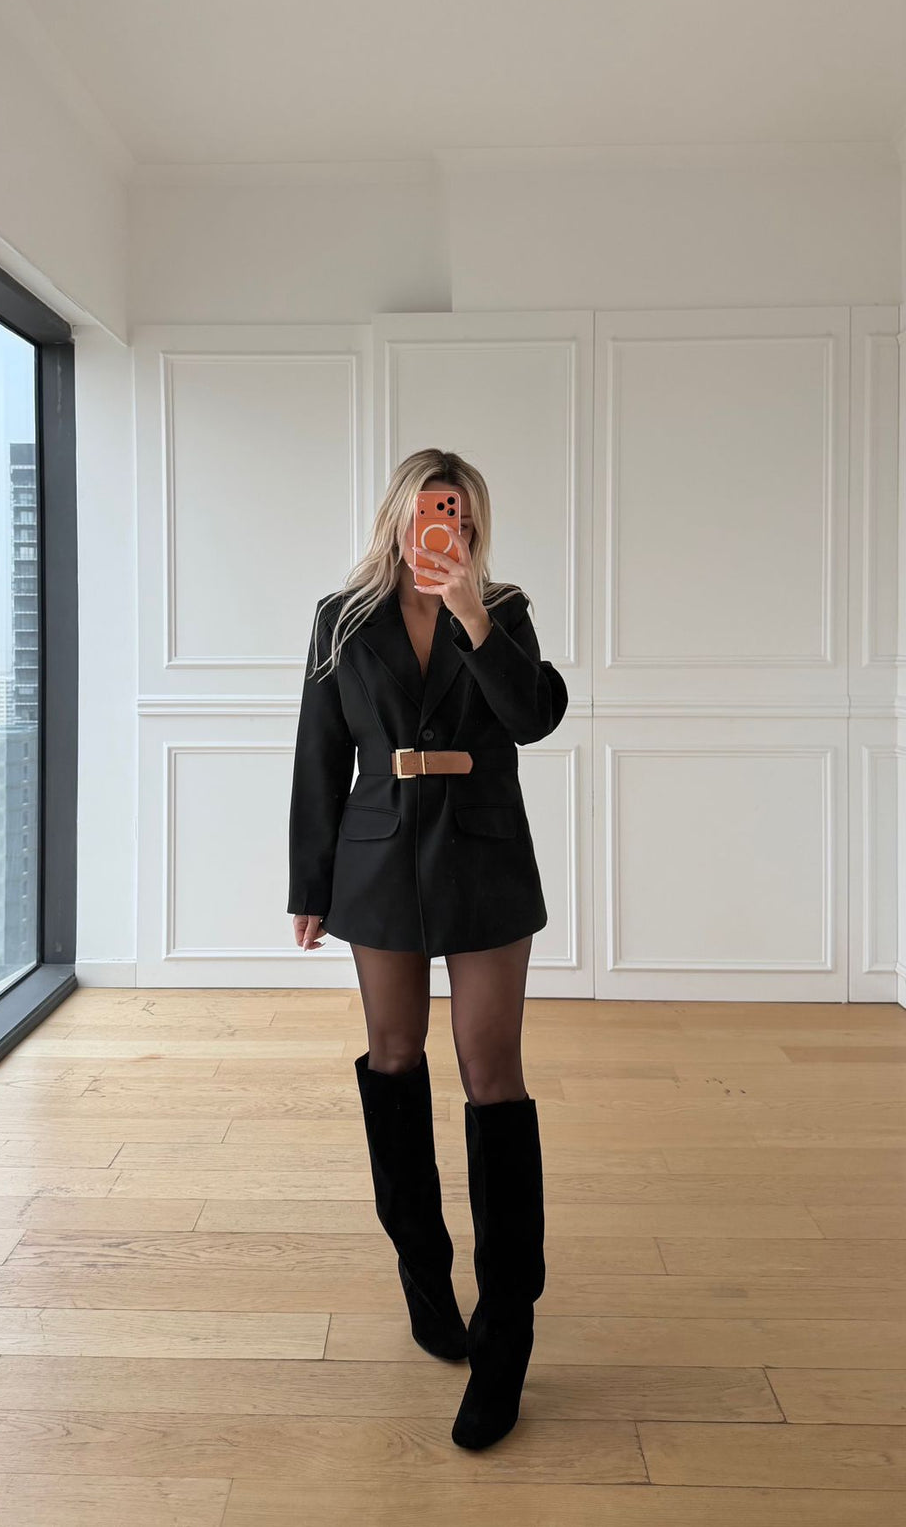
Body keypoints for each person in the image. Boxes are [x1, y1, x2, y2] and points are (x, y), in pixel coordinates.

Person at [287, 448, 568, 1450]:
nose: (438, 530)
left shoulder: (505, 609)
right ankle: (422, 1266)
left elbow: (534, 717)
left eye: (454, 514)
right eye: (423, 513)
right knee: (393, 1059)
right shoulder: (342, 617)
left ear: (471, 523)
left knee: (494, 1075)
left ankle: (508, 1331)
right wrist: (309, 884)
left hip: (484, 855)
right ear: (398, 519)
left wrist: (473, 617)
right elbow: (321, 750)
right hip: (378, 855)